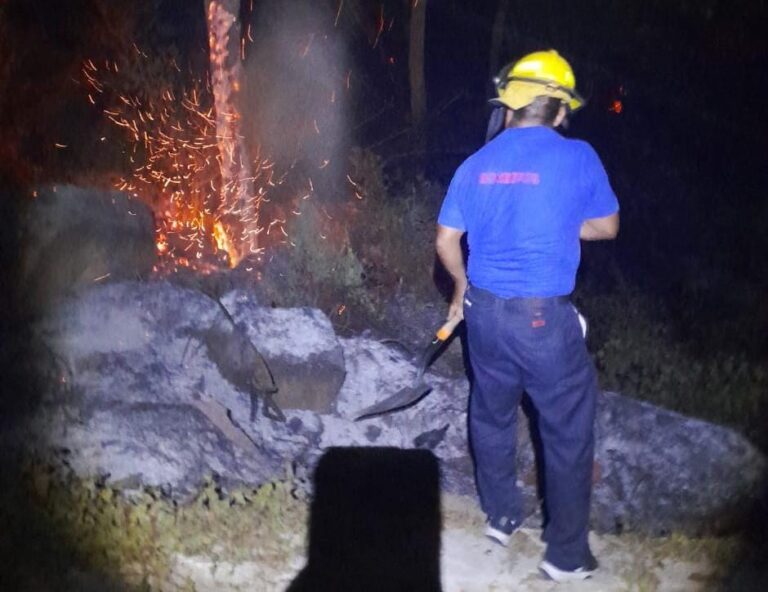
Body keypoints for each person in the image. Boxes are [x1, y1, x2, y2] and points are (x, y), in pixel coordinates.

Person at [435, 49, 619, 582]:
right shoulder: (578, 156)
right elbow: (607, 227)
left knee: (490, 415)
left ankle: (500, 517)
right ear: (560, 112)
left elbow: (447, 239)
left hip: (484, 315)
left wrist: (462, 286)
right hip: (542, 320)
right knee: (566, 427)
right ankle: (563, 557)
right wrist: (562, 223)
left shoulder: (476, 164)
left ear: (508, 106)